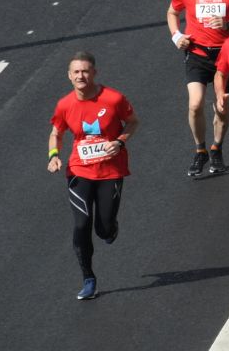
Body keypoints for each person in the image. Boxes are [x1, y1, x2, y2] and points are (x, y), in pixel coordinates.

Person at [47, 52, 137, 300]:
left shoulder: (113, 98)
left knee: (103, 228)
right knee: (81, 224)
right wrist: (53, 155)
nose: (81, 76)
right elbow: (56, 132)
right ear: (69, 76)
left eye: (85, 71)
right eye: (76, 72)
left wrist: (119, 142)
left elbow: (132, 122)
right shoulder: (65, 104)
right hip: (79, 170)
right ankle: (88, 278)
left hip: (111, 171)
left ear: (94, 73)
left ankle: (110, 230)